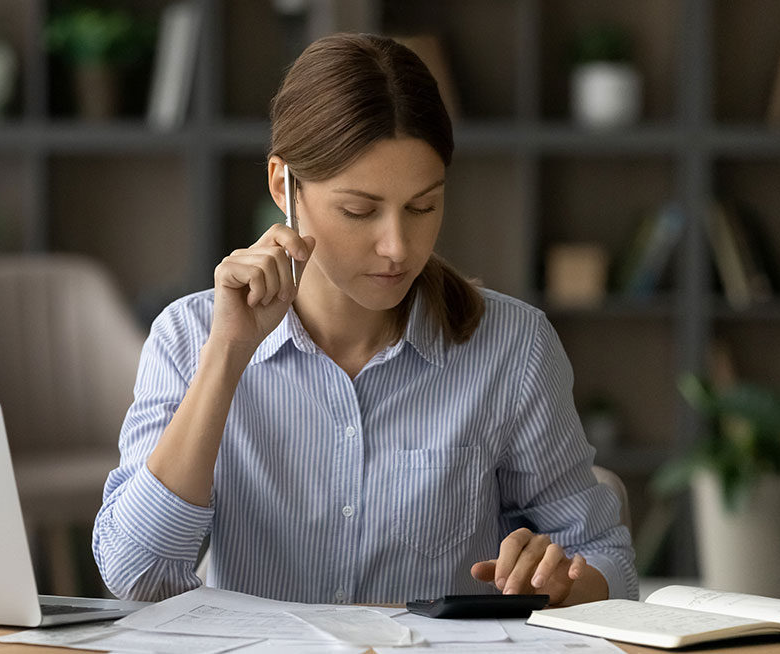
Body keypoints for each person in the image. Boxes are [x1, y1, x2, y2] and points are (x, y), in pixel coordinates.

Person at [94, 33, 637, 606]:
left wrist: (565, 585)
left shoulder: (513, 348)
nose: (398, 247)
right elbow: (135, 577)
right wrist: (226, 356)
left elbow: (608, 559)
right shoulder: (188, 337)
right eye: (359, 210)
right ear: (284, 186)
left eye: (423, 206)